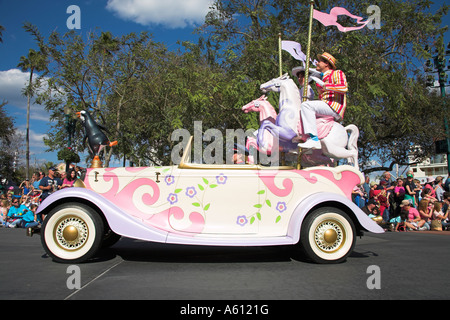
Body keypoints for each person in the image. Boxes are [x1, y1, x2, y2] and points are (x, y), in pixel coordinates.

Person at [298, 52, 348, 149]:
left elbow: (343, 87)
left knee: (306, 106)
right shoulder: (321, 78)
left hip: (334, 106)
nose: (317, 63)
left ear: (326, 64)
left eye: (319, 61)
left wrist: (326, 85)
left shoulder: (337, 73)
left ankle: (314, 139)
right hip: (326, 106)